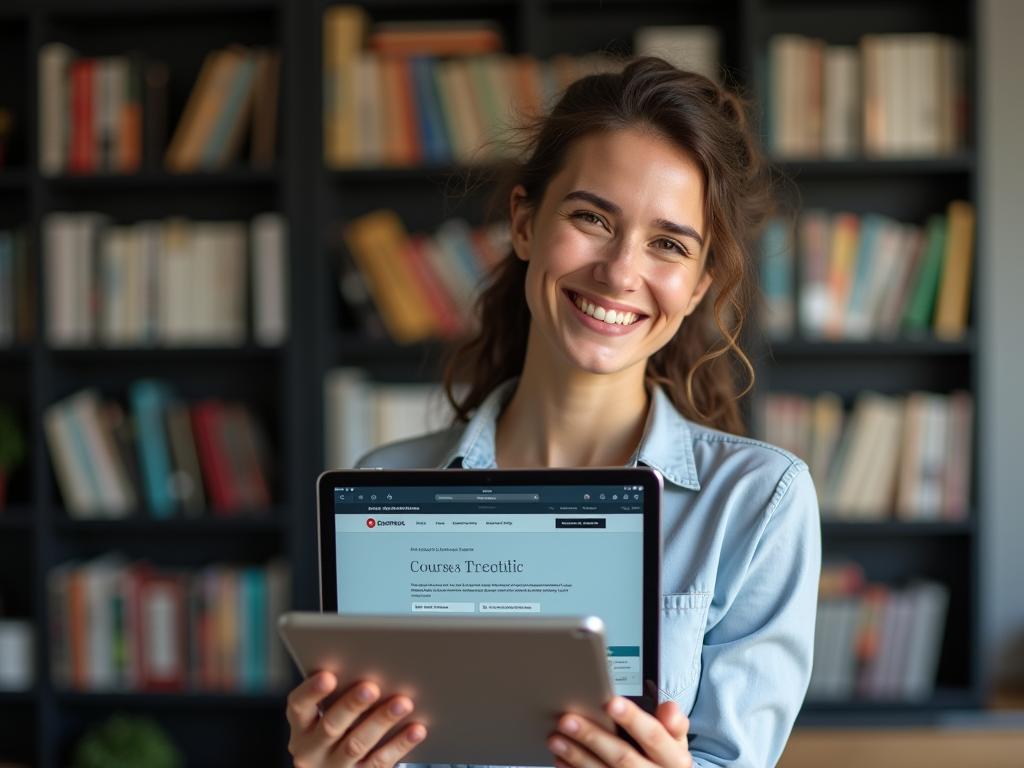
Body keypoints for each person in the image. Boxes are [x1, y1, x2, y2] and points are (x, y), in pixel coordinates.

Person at [286, 57, 821, 768]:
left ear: (699, 286)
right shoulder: (384, 483)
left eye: (668, 244)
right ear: (524, 223)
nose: (620, 272)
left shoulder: (757, 501)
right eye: (591, 218)